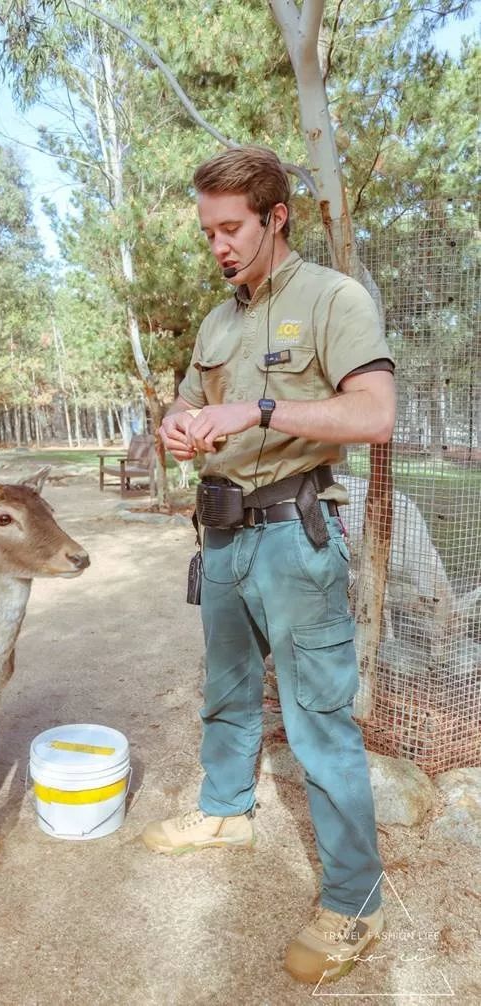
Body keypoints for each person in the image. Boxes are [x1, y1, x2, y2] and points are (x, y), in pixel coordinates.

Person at [140, 146, 396, 986]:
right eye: (207, 230)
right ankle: (226, 813)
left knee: (320, 718)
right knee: (225, 689)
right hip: (219, 533)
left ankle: (356, 900)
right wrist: (178, 426)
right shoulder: (219, 320)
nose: (217, 245)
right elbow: (185, 401)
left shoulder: (334, 298)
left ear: (275, 217)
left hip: (294, 531)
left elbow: (376, 413)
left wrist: (257, 407)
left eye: (231, 228)